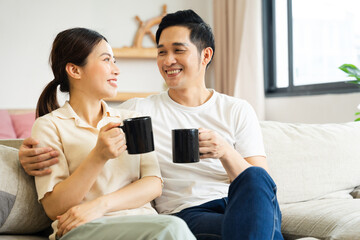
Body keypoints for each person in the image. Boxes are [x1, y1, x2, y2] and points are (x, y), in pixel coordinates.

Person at [20, 10, 283, 240]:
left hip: (239, 204)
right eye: (161, 52)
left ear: (205, 56)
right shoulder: (137, 113)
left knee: (256, 179)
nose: (168, 60)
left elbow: (259, 184)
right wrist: (20, 153)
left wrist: (226, 151)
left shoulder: (236, 109)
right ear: (74, 70)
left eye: (178, 50)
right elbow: (75, 138)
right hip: (187, 214)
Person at [28, 27, 195, 240]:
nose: (116, 70)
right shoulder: (50, 126)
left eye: (114, 60)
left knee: (172, 227)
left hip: (144, 224)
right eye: (107, 60)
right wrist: (98, 156)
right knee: (173, 229)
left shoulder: (131, 120)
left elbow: (153, 183)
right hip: (85, 229)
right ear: (75, 70)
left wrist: (100, 205)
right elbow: (54, 207)